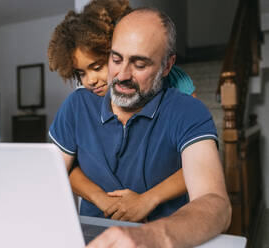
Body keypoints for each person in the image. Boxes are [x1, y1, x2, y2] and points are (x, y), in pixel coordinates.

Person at [50, 5, 231, 247]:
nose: (121, 75)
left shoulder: (189, 111)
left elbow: (215, 202)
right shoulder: (76, 105)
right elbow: (53, 174)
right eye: (116, 59)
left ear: (167, 66)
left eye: (139, 64)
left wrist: (154, 235)